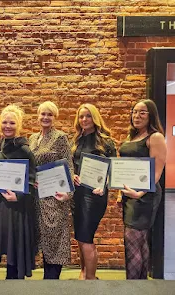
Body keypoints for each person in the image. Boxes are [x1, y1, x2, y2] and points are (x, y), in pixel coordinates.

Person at [0, 105, 37, 279]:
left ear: (19, 126)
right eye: (5, 122)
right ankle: (10, 280)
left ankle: (15, 283)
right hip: (0, 205)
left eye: (12, 123)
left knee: (16, 248)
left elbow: (32, 179)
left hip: (17, 207)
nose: (8, 126)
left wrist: (19, 196)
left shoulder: (24, 149)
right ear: (0, 124)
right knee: (7, 247)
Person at [119, 99, 167, 280]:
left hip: (144, 196)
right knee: (139, 242)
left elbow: (156, 172)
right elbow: (124, 168)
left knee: (132, 241)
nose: (136, 116)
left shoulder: (155, 137)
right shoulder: (133, 136)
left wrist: (139, 193)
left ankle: (132, 286)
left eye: (142, 112)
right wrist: (120, 192)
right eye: (134, 112)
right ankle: (141, 284)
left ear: (151, 115)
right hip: (129, 194)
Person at [29, 101, 74, 280]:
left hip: (54, 197)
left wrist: (68, 193)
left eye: (49, 114)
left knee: (55, 243)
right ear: (38, 116)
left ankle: (52, 283)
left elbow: (69, 166)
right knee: (41, 242)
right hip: (35, 198)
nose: (45, 117)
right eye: (42, 114)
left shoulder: (60, 137)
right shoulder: (32, 138)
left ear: (54, 117)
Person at [71, 104, 116, 280]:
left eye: (88, 116)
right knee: (80, 238)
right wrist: (73, 175)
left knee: (86, 237)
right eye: (81, 117)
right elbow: (72, 165)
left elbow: (113, 170)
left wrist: (104, 185)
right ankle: (83, 273)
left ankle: (90, 280)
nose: (84, 120)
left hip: (95, 196)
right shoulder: (76, 140)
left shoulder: (106, 141)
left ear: (95, 118)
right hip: (77, 194)